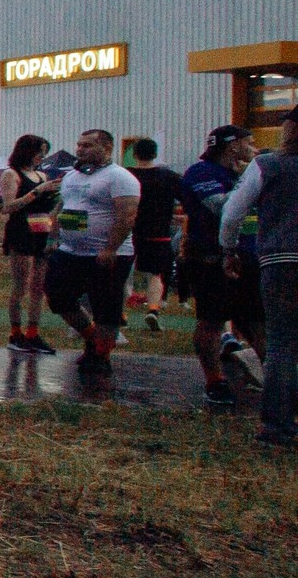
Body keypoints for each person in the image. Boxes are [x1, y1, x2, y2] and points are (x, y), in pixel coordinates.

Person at [215, 109, 298, 447]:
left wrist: (229, 249)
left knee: (281, 343)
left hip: (281, 260)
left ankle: (277, 427)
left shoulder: (268, 165)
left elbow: (233, 212)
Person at [43, 129, 141, 376]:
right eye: (79, 144)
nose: (80, 149)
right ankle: (92, 338)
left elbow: (127, 216)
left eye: (87, 145)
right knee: (57, 296)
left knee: (106, 306)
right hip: (70, 251)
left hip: (106, 253)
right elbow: (66, 207)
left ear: (106, 148)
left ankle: (101, 355)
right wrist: (54, 234)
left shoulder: (120, 177)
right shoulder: (71, 176)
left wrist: (110, 248)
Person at [183, 125, 261, 408]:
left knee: (257, 320)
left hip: (248, 255)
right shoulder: (202, 173)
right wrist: (249, 181)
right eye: (249, 143)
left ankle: (279, 382)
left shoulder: (238, 173)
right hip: (211, 257)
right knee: (212, 319)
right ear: (233, 146)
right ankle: (214, 380)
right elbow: (222, 207)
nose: (253, 149)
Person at [0, 135, 58, 353]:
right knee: (20, 284)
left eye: (44, 152)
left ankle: (33, 332)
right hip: (21, 229)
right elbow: (8, 206)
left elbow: (50, 207)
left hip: (42, 228)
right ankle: (15, 333)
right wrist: (38, 191)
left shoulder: (42, 175)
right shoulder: (11, 174)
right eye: (38, 152)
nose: (41, 156)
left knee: (38, 286)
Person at [127, 138, 182, 327]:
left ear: (135, 154)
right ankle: (153, 310)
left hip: (129, 230)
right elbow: (186, 199)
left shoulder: (126, 175)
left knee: (121, 273)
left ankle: (120, 315)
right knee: (155, 275)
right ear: (155, 154)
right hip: (159, 231)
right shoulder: (169, 176)